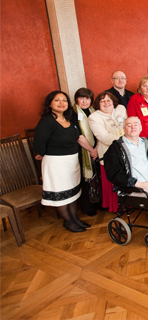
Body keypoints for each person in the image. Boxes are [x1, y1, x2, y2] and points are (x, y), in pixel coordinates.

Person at [34, 91, 97, 232]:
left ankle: (74, 218)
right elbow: (38, 145)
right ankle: (68, 221)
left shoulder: (69, 119)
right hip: (56, 164)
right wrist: (42, 154)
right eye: (57, 100)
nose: (61, 103)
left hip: (72, 162)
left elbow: (77, 138)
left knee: (72, 191)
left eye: (64, 100)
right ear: (50, 103)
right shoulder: (47, 121)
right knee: (61, 192)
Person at [88, 91, 127, 212]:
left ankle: (128, 203)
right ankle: (115, 206)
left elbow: (128, 124)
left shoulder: (120, 109)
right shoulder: (94, 117)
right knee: (112, 179)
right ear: (98, 103)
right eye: (102, 101)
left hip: (126, 150)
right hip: (108, 152)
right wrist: (125, 141)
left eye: (108, 100)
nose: (106, 103)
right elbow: (103, 136)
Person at [72, 87, 98, 216]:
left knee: (96, 177)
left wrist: (96, 148)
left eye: (87, 98)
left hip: (95, 149)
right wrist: (91, 150)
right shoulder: (73, 113)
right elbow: (78, 136)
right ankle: (88, 207)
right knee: (86, 180)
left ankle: (97, 202)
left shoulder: (92, 111)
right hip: (82, 152)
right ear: (76, 99)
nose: (84, 101)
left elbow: (98, 132)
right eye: (81, 98)